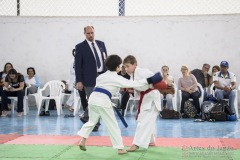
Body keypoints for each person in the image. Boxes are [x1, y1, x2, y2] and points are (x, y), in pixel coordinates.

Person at [77, 54, 162, 155]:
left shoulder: (101, 76)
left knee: (91, 121)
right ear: (117, 67)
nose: (123, 68)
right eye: (122, 66)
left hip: (92, 100)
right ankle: (120, 148)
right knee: (113, 125)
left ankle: (82, 140)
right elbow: (134, 84)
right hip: (103, 102)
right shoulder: (117, 78)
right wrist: (150, 80)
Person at [122, 55, 161, 152]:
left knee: (143, 120)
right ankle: (151, 141)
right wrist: (131, 90)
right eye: (124, 67)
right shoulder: (132, 76)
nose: (126, 69)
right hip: (147, 98)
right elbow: (138, 90)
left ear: (134, 64)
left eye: (127, 66)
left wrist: (147, 81)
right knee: (149, 120)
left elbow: (158, 76)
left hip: (151, 97)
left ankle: (136, 144)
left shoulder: (142, 72)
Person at [75, 25, 107, 131]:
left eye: (92, 33)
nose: (90, 35)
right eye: (88, 33)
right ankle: (95, 124)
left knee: (100, 100)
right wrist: (79, 80)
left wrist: (107, 75)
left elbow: (105, 60)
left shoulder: (101, 44)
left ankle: (86, 116)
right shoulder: (80, 47)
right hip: (88, 78)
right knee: (93, 101)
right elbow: (78, 65)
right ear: (84, 34)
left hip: (102, 77)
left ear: (94, 32)